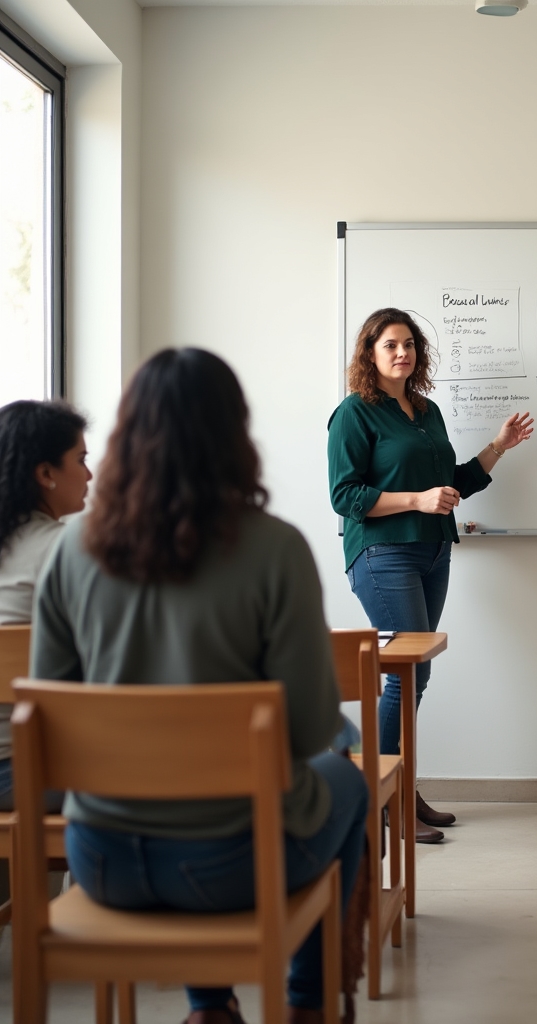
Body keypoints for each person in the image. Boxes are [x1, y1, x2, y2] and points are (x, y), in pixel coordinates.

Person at [32, 349, 367, 1024]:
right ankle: (311, 1003)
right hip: (232, 864)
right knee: (351, 781)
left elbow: (45, 708)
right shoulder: (275, 550)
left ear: (127, 435)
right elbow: (307, 730)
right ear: (234, 434)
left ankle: (209, 1007)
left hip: (98, 861)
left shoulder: (70, 550)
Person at [328, 308, 533, 843]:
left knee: (414, 674)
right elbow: (345, 497)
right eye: (390, 344)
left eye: (410, 345)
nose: (402, 353)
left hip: (433, 552)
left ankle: (399, 788)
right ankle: (377, 800)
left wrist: (498, 447)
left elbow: (453, 483)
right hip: (383, 554)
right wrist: (416, 499)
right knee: (406, 675)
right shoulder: (354, 413)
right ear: (369, 354)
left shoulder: (426, 410)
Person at [0, 398, 90, 812]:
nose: (90, 474)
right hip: (21, 772)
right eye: (81, 459)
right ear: (46, 474)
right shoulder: (64, 549)